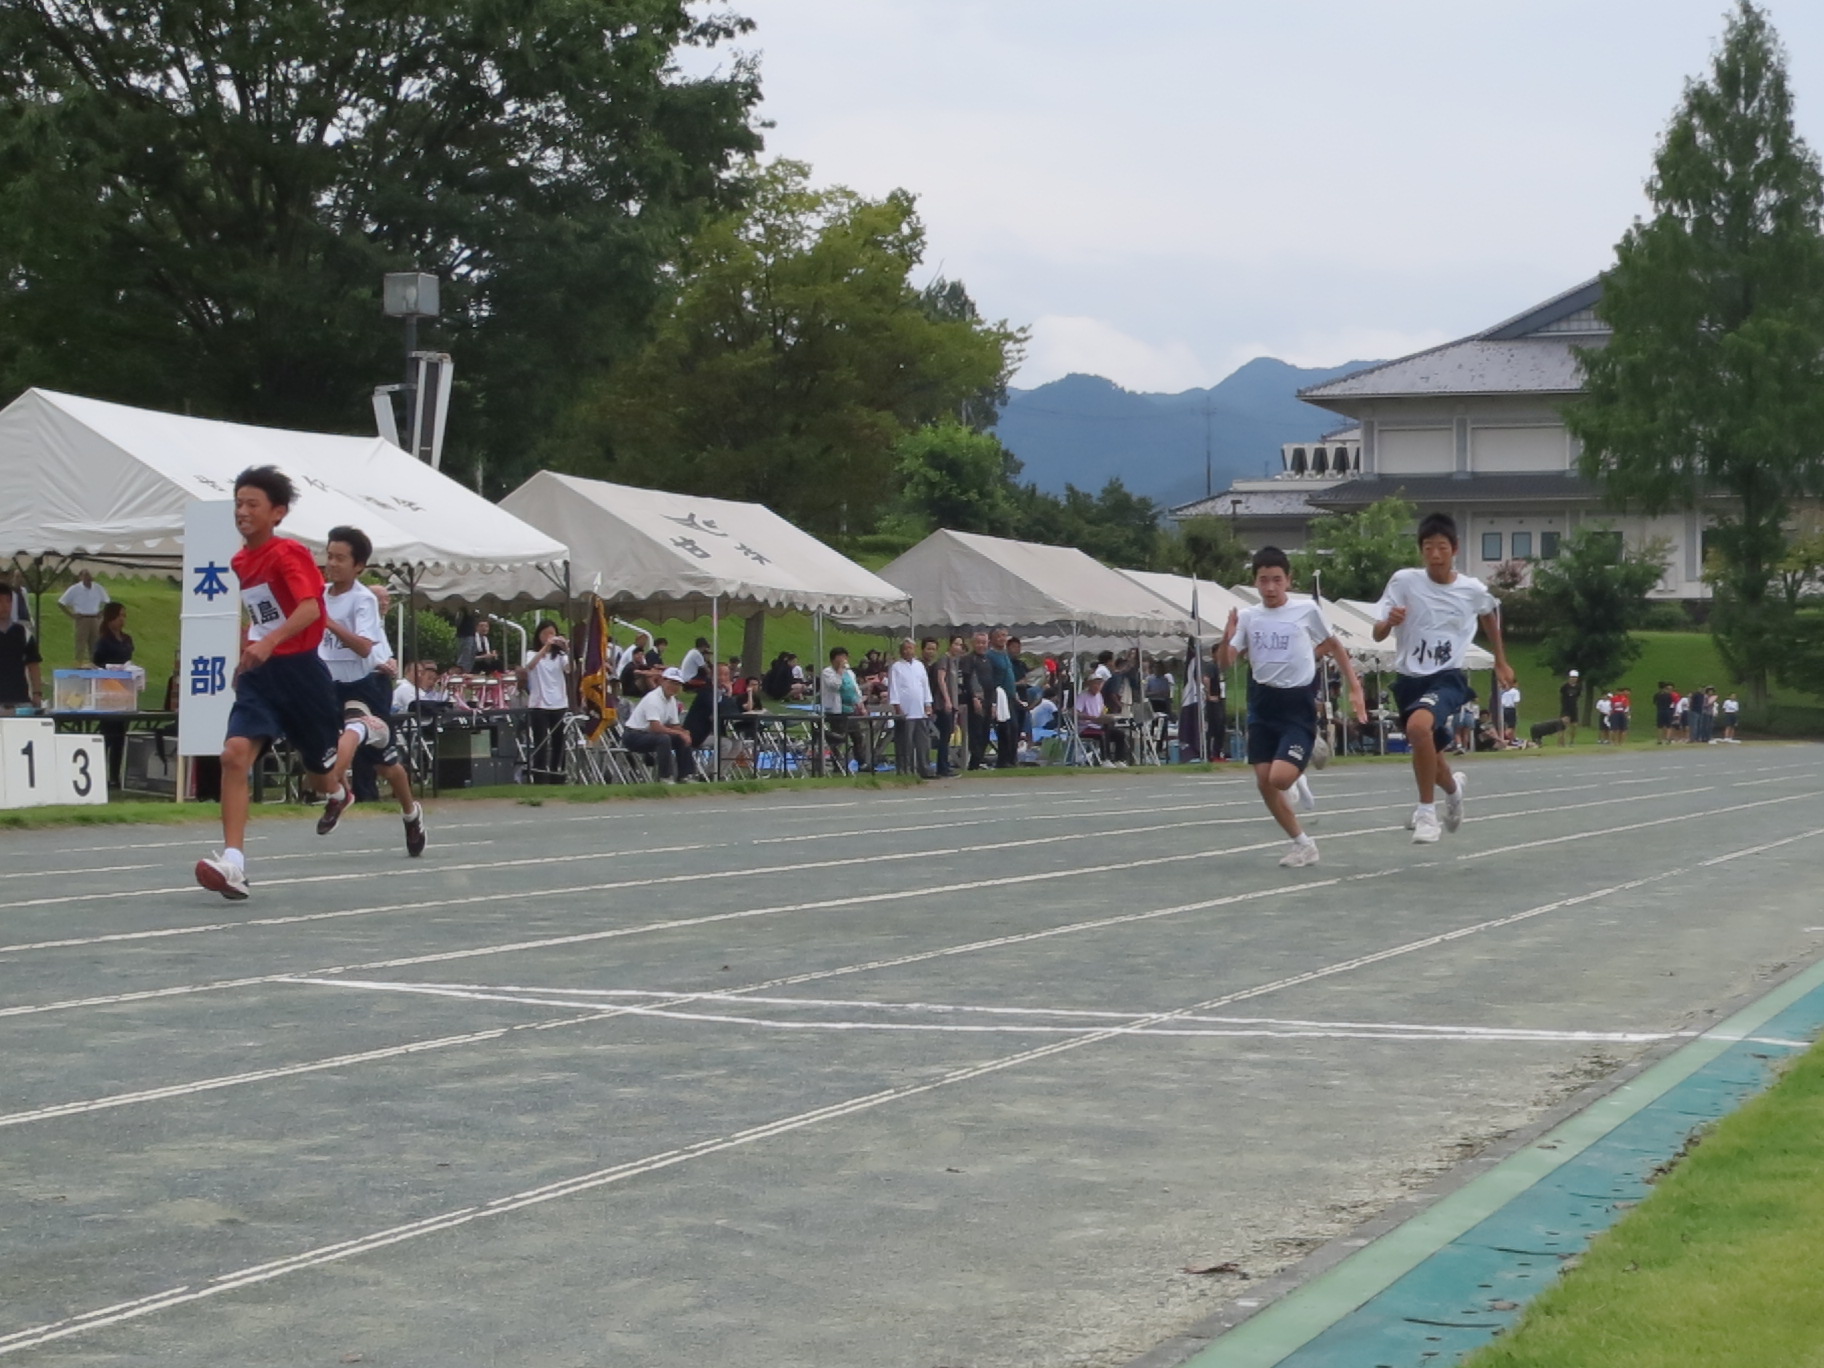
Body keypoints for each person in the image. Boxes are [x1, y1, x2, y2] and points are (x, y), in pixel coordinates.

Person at [194, 466, 349, 900]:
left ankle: (338, 789)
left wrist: (270, 644)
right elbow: (262, 615)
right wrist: (247, 652)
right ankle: (233, 864)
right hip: (261, 677)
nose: (241, 512)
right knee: (233, 755)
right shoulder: (240, 560)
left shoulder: (289, 554)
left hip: (302, 674)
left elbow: (309, 610)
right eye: (237, 504)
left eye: (252, 505)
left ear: (277, 513)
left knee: (319, 775)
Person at [1218, 547, 1367, 868]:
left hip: (1296, 703)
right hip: (1262, 702)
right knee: (1264, 781)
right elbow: (1225, 661)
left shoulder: (1306, 610)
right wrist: (1226, 637)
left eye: (1276, 580)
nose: (1270, 587)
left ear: (1288, 580)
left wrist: (1354, 687)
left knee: (1281, 779)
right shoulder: (1247, 617)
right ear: (1255, 582)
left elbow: (1335, 645)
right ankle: (1303, 844)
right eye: (1263, 581)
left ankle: (1307, 745)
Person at [1371, 511, 1514, 845]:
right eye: (1428, 548)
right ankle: (1454, 790)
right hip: (1409, 679)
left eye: (1441, 547)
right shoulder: (1403, 582)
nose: (1435, 555)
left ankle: (1426, 813)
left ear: (1455, 549)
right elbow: (1377, 634)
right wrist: (1389, 621)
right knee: (1430, 755)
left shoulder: (1471, 589)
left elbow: (1490, 614)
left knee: (1418, 728)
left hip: (1446, 676)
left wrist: (1501, 662)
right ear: (1420, 550)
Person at [317, 526, 426, 850]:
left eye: (340, 558)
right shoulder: (320, 595)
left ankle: (409, 813)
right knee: (317, 744)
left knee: (377, 759)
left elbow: (364, 647)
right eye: (329, 556)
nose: (332, 564)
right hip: (327, 684)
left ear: (358, 566)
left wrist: (329, 623)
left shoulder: (361, 600)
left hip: (363, 687)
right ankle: (339, 791)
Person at [89, 602, 137, 788]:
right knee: (107, 735)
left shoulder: (127, 639)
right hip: (108, 690)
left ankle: (115, 776)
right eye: (119, 616)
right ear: (110, 618)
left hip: (124, 691)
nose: (122, 620)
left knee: (120, 737)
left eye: (124, 616)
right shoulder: (103, 641)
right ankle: (100, 772)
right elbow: (98, 663)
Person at [622, 667, 700, 782]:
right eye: (672, 682)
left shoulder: (671, 700)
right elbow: (656, 727)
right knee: (663, 739)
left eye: (678, 684)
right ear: (662, 681)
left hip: (649, 734)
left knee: (681, 738)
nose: (674, 687)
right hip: (633, 736)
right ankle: (665, 776)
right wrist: (679, 732)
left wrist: (684, 732)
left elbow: (674, 724)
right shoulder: (653, 699)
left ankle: (686, 775)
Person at [519, 620, 571, 784]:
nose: (549, 637)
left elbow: (571, 669)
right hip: (539, 704)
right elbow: (530, 665)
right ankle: (540, 776)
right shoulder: (531, 653)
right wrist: (545, 647)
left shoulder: (560, 657)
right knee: (541, 742)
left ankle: (558, 775)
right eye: (545, 633)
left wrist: (567, 649)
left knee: (559, 743)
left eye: (552, 633)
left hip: (559, 703)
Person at [886, 638, 935, 778]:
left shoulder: (919, 665)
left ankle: (924, 768)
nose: (908, 651)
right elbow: (893, 688)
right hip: (905, 710)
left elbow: (925, 685)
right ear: (901, 650)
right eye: (905, 648)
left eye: (910, 648)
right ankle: (904, 769)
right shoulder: (896, 667)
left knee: (923, 742)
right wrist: (897, 706)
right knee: (904, 742)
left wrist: (928, 703)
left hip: (920, 709)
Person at [818, 646, 872, 775]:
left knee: (857, 736)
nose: (843, 659)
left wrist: (860, 705)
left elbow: (855, 689)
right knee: (838, 738)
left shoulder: (850, 673)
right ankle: (838, 764)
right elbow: (835, 685)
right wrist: (840, 671)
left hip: (850, 709)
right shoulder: (827, 672)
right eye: (840, 657)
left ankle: (862, 762)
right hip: (836, 711)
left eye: (844, 656)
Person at [0, 587, 44, 711]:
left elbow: (33, 665)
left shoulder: (23, 632)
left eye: (8, 601)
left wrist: (37, 693)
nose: (4, 606)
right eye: (0, 601)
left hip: (20, 699)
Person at [57, 569, 110, 665]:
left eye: (89, 575)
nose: (88, 578)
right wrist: (71, 614)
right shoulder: (75, 589)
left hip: (95, 618)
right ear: (80, 577)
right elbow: (61, 603)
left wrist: (102, 612)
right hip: (82, 619)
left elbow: (107, 601)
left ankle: (95, 665)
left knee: (96, 645)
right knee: (80, 645)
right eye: (85, 576)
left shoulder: (98, 588)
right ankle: (78, 666)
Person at [924, 637, 957, 778]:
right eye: (928, 648)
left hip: (936, 704)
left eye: (933, 649)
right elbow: (939, 681)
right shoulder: (935, 664)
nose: (931, 652)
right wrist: (946, 700)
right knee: (941, 735)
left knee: (946, 734)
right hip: (936, 704)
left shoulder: (937, 663)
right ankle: (940, 766)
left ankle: (943, 765)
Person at [1074, 673, 1126, 764]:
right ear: (1089, 684)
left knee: (1120, 735)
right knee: (1103, 734)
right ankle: (1105, 759)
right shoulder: (1083, 696)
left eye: (1100, 684)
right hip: (1086, 727)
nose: (1098, 686)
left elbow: (1101, 712)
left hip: (1098, 725)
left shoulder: (1099, 696)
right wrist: (1091, 718)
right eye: (1095, 683)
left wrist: (1108, 717)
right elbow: (1076, 713)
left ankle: (1119, 760)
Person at [1558, 670, 1581, 746]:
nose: (1573, 679)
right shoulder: (1565, 686)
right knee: (1564, 724)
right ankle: (1561, 742)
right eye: (1572, 677)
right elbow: (1561, 696)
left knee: (1574, 726)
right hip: (1566, 708)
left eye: (1575, 677)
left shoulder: (1578, 687)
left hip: (1573, 708)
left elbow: (1577, 696)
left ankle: (1572, 741)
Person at [1653, 680, 1675, 745]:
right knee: (1668, 726)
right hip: (1667, 710)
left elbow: (1654, 703)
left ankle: (1659, 740)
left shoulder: (1657, 695)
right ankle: (1668, 739)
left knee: (1659, 726)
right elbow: (1671, 702)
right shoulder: (1668, 695)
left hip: (1660, 710)